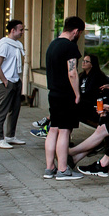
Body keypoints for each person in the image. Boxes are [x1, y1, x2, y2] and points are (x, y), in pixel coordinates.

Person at [43, 17, 86, 181]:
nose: (79, 36)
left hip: (52, 92)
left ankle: (49, 167)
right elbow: (72, 72)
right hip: (65, 94)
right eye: (80, 33)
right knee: (65, 130)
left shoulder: (52, 44)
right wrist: (77, 94)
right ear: (76, 31)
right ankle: (62, 169)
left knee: (53, 129)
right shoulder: (70, 47)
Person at [67, 58, 109, 162]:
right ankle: (75, 158)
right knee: (100, 130)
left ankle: (72, 152)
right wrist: (105, 109)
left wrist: (108, 107)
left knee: (101, 131)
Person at [0, 20, 26, 149]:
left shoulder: (16, 44)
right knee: (2, 111)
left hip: (15, 80)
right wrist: (5, 81)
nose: (23, 32)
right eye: (21, 30)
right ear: (13, 30)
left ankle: (10, 136)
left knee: (15, 110)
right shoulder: (4, 44)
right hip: (5, 82)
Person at [78, 53, 109, 125]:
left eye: (86, 61)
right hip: (82, 102)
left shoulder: (98, 77)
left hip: (92, 105)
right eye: (83, 60)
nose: (83, 63)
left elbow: (92, 94)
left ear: (92, 64)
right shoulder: (81, 76)